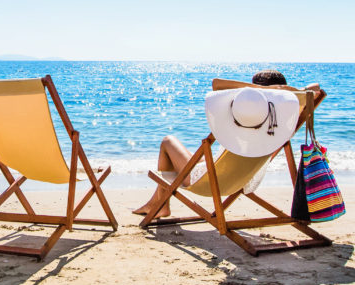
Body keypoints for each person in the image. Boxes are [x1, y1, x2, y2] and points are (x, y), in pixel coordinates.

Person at [133, 70, 320, 218]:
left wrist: (256, 91)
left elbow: (217, 83)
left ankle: (161, 205)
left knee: (168, 141)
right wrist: (280, 93)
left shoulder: (244, 117)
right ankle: (158, 204)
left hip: (213, 181)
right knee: (189, 158)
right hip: (246, 179)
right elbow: (316, 88)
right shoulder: (283, 120)